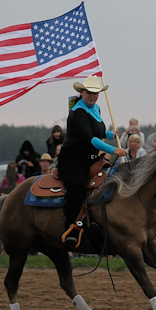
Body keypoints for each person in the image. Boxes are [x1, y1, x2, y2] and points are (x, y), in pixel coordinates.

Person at [57, 76, 125, 244]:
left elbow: (97, 131)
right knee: (79, 189)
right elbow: (90, 138)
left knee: (106, 186)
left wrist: (110, 135)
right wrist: (113, 149)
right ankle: (71, 228)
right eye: (89, 92)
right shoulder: (78, 112)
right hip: (73, 159)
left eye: (95, 93)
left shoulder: (97, 109)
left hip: (91, 159)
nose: (92, 96)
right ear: (82, 92)